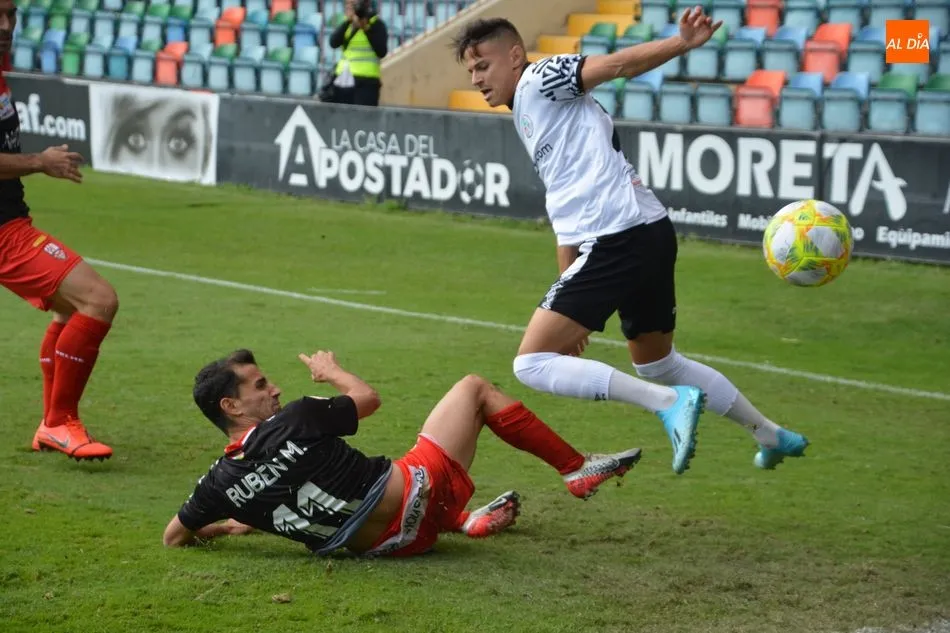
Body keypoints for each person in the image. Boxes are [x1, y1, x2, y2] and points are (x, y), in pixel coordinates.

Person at [451, 9, 809, 473]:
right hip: (646, 233)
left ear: (516, 56)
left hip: (619, 235)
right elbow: (564, 207)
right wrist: (572, 301)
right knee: (659, 363)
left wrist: (682, 43)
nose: (477, 79)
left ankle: (666, 403)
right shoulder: (529, 110)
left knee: (531, 364)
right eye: (471, 71)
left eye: (483, 66)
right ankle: (770, 434)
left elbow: (616, 65)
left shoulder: (540, 78)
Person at [162, 349, 643, 557]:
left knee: (368, 482)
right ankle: (576, 468)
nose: (274, 389)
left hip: (396, 548)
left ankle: (465, 521)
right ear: (231, 406)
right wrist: (331, 372)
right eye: (260, 385)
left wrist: (230, 525)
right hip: (422, 493)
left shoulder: (218, 484)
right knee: (474, 389)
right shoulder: (296, 418)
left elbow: (173, 538)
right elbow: (368, 399)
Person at [0, 0, 117, 462]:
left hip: (12, 221)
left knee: (70, 309)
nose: (6, 25)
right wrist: (39, 161)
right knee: (99, 300)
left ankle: (51, 425)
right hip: (3, 232)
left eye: (11, 14)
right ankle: (59, 423)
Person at [326, 0, 388, 107]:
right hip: (344, 78)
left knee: (363, 116)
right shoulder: (346, 23)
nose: (350, 7)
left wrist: (366, 28)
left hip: (366, 81)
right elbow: (333, 43)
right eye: (348, 4)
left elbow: (381, 51)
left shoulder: (376, 23)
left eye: (353, 5)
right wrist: (348, 22)